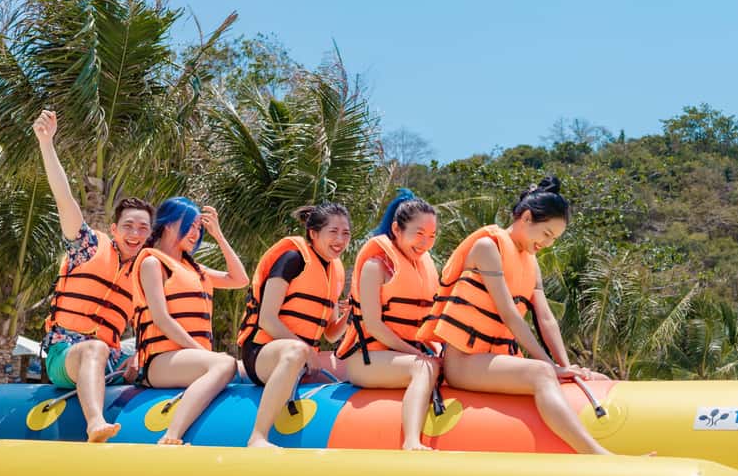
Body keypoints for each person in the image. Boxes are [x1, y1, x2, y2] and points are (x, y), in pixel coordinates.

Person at [417, 176, 612, 455]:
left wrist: (566, 366)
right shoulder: (488, 248)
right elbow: (509, 314)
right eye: (546, 234)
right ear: (527, 218)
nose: (548, 243)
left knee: (592, 377)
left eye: (554, 239)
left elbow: (546, 318)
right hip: (463, 362)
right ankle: (596, 454)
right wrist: (550, 367)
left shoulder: (530, 262)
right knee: (541, 373)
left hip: (495, 359)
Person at [34, 109, 154, 443]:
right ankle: (95, 423)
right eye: (128, 226)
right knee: (94, 349)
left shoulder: (146, 274)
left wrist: (139, 357)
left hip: (112, 359)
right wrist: (46, 143)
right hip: (66, 353)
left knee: (154, 359)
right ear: (114, 229)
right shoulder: (87, 246)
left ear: (150, 235)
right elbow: (64, 199)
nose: (135, 233)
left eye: (143, 228)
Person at [132, 198, 247, 445]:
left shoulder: (195, 270)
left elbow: (240, 280)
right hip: (160, 362)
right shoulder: (153, 263)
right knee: (226, 364)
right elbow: (161, 319)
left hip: (192, 360)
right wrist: (202, 353)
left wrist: (218, 236)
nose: (195, 233)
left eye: (198, 227)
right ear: (169, 224)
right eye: (189, 226)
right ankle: (171, 435)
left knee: (248, 370)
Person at [238, 203, 351, 448]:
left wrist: (349, 314)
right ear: (314, 233)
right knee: (296, 351)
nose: (340, 240)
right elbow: (267, 319)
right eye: (333, 232)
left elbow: (331, 334)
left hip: (302, 358)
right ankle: (257, 436)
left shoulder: (335, 272)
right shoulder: (292, 259)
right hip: (263, 353)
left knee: (352, 363)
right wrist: (305, 350)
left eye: (346, 233)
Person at [335, 190, 440, 450]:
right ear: (396, 229)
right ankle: (411, 441)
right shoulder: (375, 266)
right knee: (423, 368)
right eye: (419, 233)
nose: (425, 243)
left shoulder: (423, 267)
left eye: (432, 236)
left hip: (405, 355)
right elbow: (373, 326)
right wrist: (416, 353)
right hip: (367, 359)